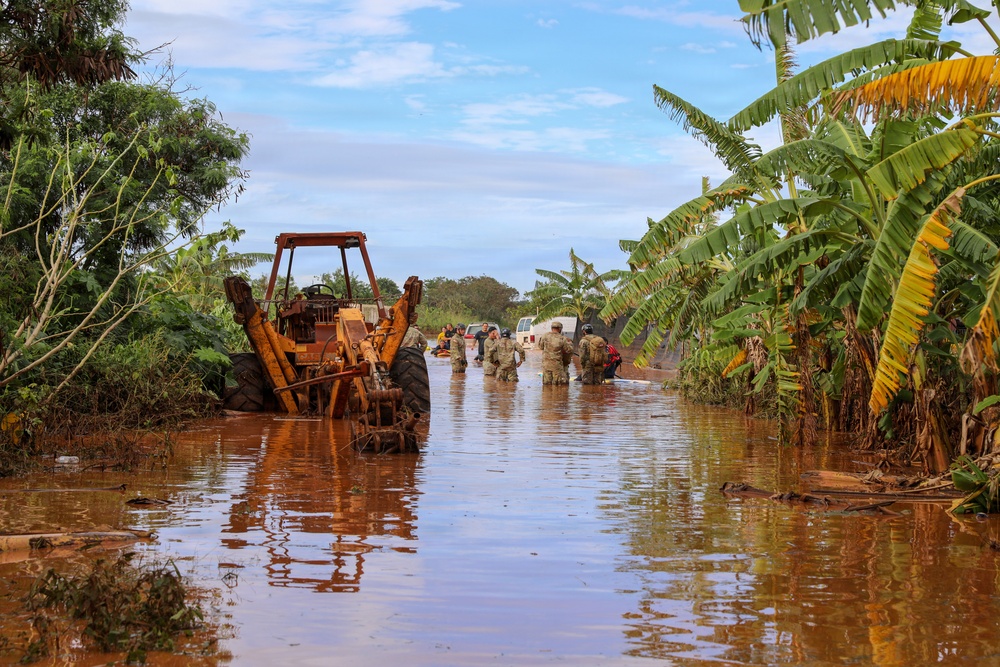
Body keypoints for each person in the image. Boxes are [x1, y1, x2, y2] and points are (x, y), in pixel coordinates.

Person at [537, 320, 573, 385]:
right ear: (560, 329)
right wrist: (570, 343)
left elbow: (540, 347)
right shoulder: (562, 338)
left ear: (552, 328)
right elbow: (569, 350)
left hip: (546, 365)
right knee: (557, 386)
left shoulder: (545, 336)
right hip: (557, 366)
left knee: (547, 385)